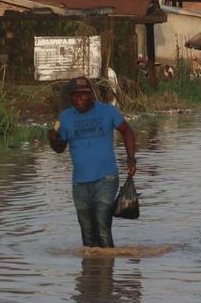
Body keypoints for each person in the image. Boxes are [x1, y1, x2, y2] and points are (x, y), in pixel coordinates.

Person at [47, 76, 137, 248]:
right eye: (75, 95)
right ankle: (91, 271)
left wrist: (131, 158)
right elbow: (60, 148)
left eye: (84, 94)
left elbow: (127, 132)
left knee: (102, 225)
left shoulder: (108, 112)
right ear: (71, 97)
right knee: (86, 231)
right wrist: (52, 139)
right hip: (79, 183)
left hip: (106, 178)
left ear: (92, 95)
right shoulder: (65, 117)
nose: (79, 98)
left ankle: (107, 269)